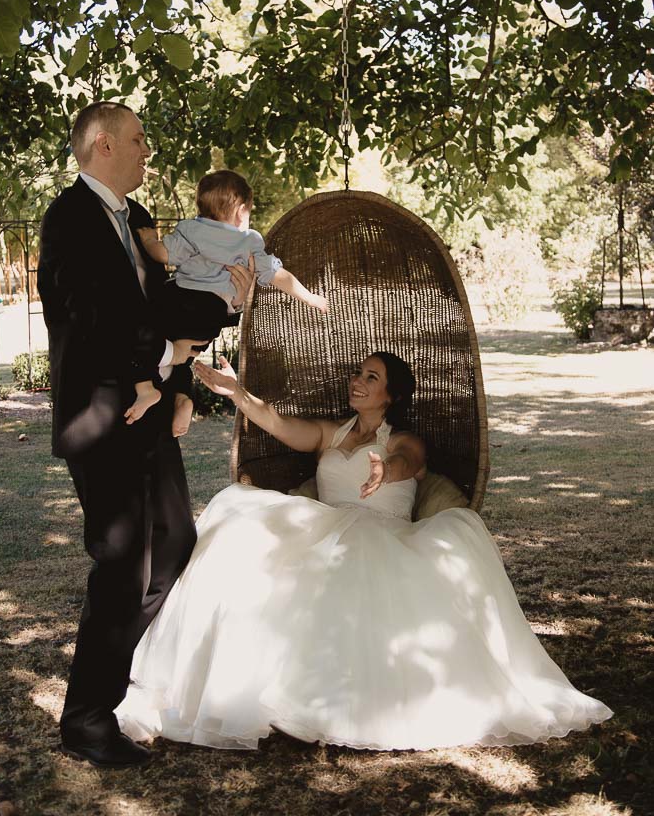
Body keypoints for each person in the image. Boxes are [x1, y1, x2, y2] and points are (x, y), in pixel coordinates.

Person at [114, 351, 613, 751]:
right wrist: (235, 392)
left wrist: (384, 473)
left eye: (370, 377)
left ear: (390, 395)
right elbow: (279, 424)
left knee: (347, 572)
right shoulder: (333, 432)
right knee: (237, 515)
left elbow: (402, 463)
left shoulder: (407, 439)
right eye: (357, 373)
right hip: (322, 523)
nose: (358, 381)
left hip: (383, 533)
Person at [37, 101, 255, 768]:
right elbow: (90, 317)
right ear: (101, 145)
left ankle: (110, 687)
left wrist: (225, 302)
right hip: (102, 418)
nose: (146, 151)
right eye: (137, 140)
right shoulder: (69, 218)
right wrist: (160, 358)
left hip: (150, 412)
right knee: (122, 562)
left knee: (174, 548)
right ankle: (88, 720)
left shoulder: (133, 218)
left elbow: (159, 303)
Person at [125, 169, 328, 425]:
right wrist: (310, 297)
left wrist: (149, 240)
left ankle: (146, 389)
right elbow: (279, 276)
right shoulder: (248, 243)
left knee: (144, 328)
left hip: (181, 299)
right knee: (185, 351)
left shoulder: (191, 230)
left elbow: (163, 255)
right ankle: (182, 398)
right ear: (242, 210)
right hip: (213, 314)